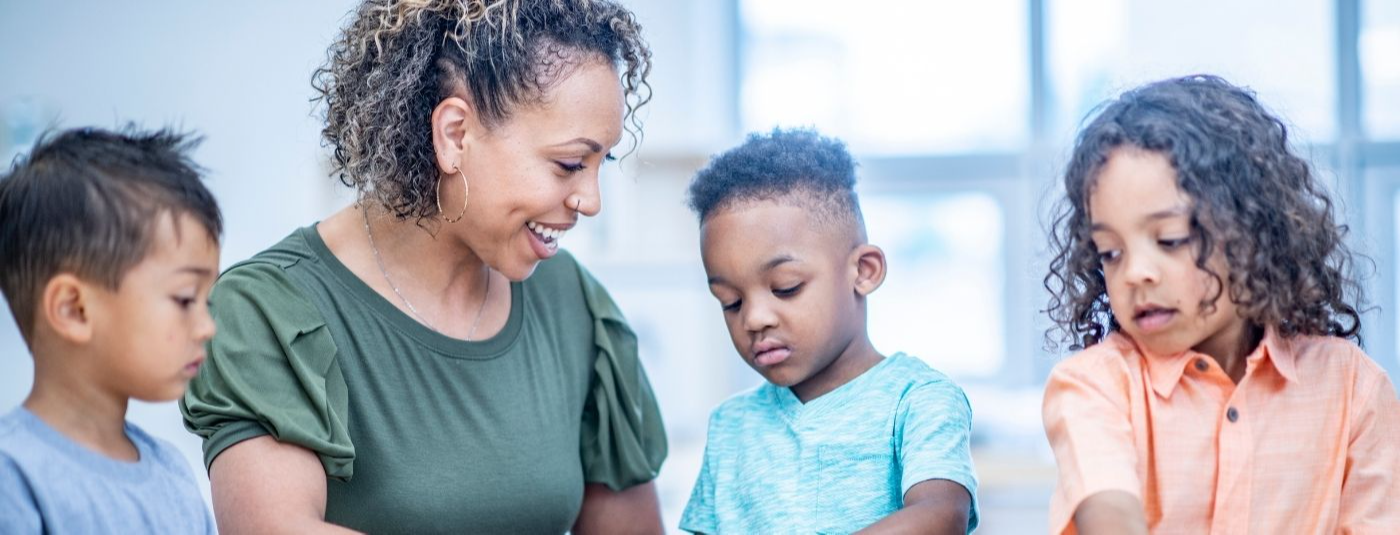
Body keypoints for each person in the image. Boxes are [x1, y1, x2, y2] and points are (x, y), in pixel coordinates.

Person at [179, 1, 666, 532]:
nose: (591, 201)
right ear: (455, 134)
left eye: (602, 164)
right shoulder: (270, 311)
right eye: (569, 164)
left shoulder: (574, 305)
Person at [1041, 75, 1400, 534]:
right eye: (1110, 252)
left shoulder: (1354, 389)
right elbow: (1110, 517)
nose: (1134, 273)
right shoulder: (1094, 385)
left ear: (1252, 233)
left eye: (1170, 240)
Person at [679, 128, 979, 534]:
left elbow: (941, 517)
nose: (753, 319)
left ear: (863, 271)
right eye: (731, 301)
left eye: (786, 287)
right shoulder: (732, 426)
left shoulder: (917, 400)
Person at [0, 126, 221, 533]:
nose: (207, 327)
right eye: (186, 299)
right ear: (74, 309)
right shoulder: (14, 478)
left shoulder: (172, 474)